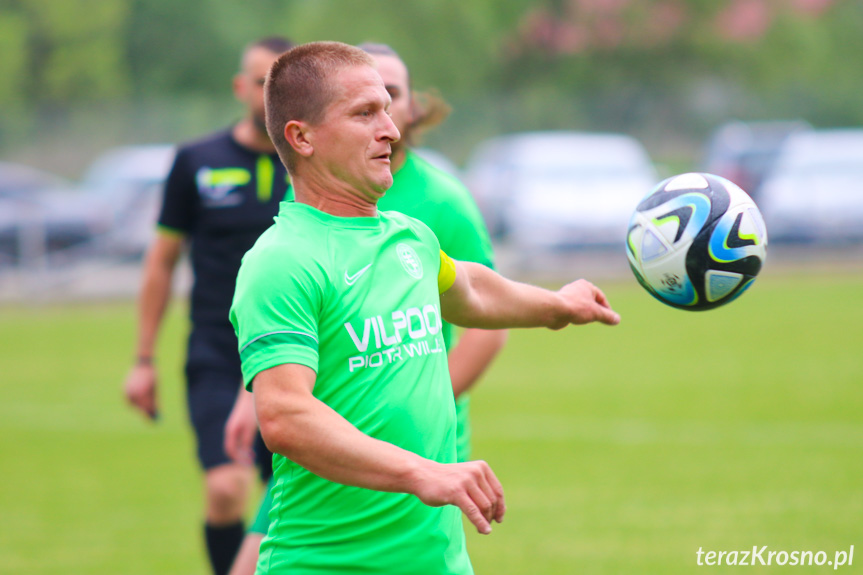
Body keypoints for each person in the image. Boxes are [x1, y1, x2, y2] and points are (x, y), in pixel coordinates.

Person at [230, 41, 619, 574]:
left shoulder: (407, 237)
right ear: (302, 137)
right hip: (328, 564)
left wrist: (558, 305)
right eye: (365, 113)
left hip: (438, 562)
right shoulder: (282, 260)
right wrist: (422, 473)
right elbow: (285, 416)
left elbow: (474, 290)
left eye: (387, 110)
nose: (389, 129)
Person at [122, 36, 294, 575]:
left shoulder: (313, 165)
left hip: (294, 351)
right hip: (219, 353)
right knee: (225, 489)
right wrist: (143, 359)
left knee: (292, 500)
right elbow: (162, 261)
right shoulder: (197, 161)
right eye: (261, 80)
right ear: (240, 87)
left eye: (281, 83)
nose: (269, 92)